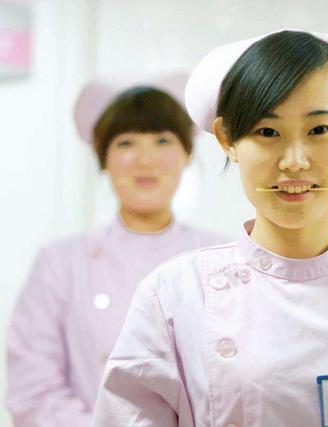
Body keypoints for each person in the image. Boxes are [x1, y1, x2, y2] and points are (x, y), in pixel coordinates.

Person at [91, 29, 328, 426]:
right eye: (267, 132)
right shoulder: (174, 295)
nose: (294, 161)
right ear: (227, 139)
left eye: (319, 130)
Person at [6, 73, 228, 426]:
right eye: (126, 143)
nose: (145, 160)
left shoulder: (222, 258)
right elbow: (33, 390)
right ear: (103, 158)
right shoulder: (60, 264)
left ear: (187, 154)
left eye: (162, 140)